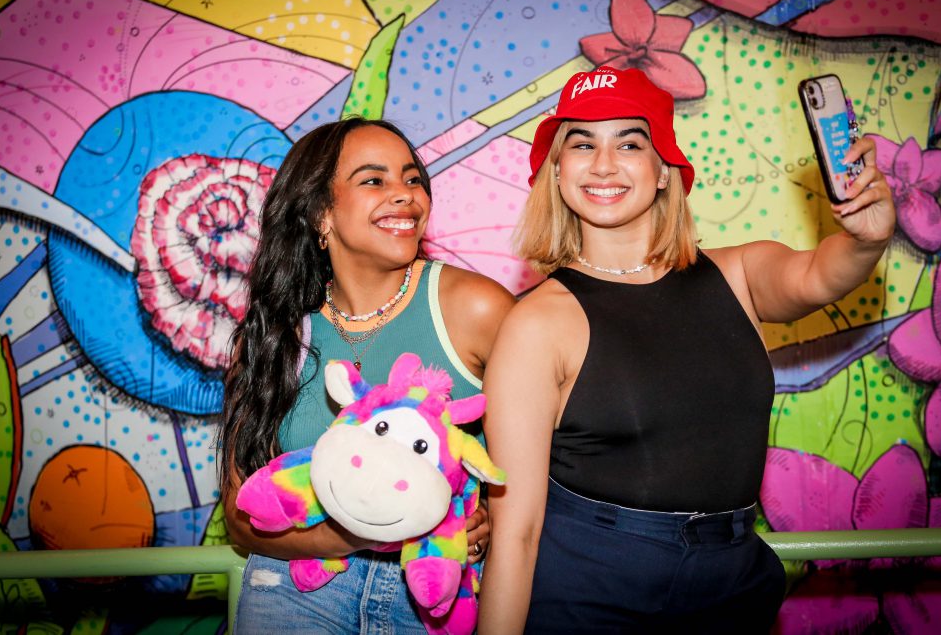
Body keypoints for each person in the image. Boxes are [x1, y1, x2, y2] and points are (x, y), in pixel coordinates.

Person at [477, 66, 896, 633]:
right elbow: (517, 531)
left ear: (664, 172)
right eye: (582, 145)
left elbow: (821, 276)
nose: (603, 164)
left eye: (629, 142)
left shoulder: (739, 272)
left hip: (734, 580)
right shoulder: (536, 323)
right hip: (596, 587)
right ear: (556, 172)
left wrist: (865, 240)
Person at [219, 118, 515, 634]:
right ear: (320, 214)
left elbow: (537, 478)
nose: (404, 195)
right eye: (374, 180)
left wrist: (487, 520)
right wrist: (366, 531)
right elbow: (241, 520)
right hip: (294, 593)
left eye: (413, 179)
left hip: (434, 596)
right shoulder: (273, 338)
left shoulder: (476, 309)